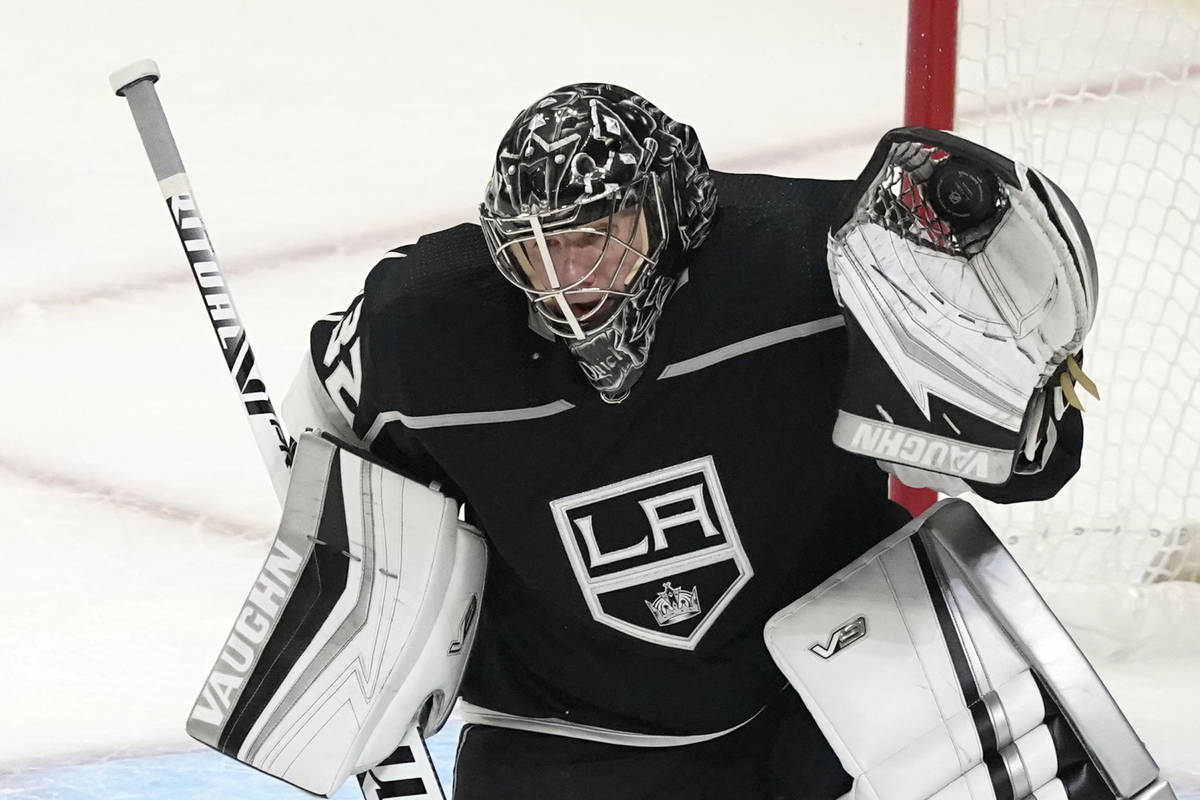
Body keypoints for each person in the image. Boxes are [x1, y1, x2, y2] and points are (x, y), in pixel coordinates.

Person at [282, 83, 1088, 799]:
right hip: (567, 729)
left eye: (595, 236)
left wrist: (1017, 418)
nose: (568, 282)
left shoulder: (815, 264)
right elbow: (325, 430)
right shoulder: (421, 331)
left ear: (669, 211)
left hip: (829, 690)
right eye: (538, 249)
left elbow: (1028, 462)